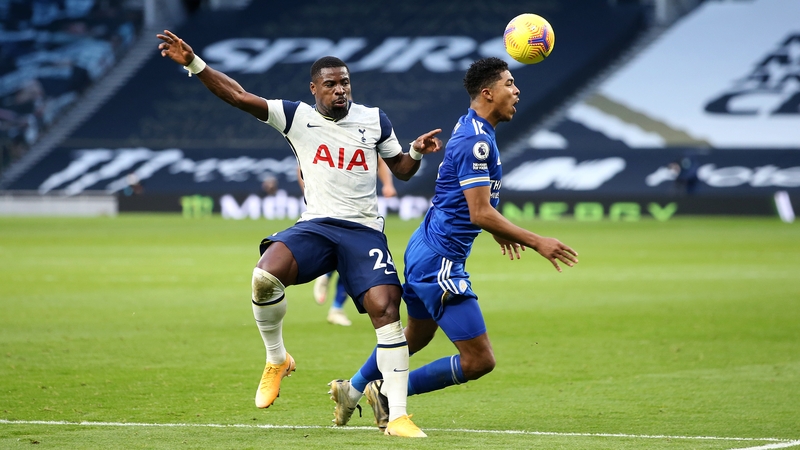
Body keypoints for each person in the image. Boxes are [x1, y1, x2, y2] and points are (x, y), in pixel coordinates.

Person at [157, 30, 442, 437]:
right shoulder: (296, 116)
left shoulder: (375, 119)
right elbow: (238, 96)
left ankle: (397, 415)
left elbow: (400, 169)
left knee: (386, 310)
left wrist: (414, 152)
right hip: (317, 225)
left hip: (363, 231)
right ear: (314, 89)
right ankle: (277, 359)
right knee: (264, 276)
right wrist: (193, 63)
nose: (340, 89)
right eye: (330, 84)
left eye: (345, 82)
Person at [328, 57, 579, 432]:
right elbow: (478, 212)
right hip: (440, 261)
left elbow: (470, 200)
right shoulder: (477, 141)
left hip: (424, 248)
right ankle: (387, 394)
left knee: (416, 334)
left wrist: (498, 227)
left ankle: (353, 389)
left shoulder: (474, 126)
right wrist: (536, 240)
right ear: (488, 93)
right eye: (510, 84)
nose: (517, 91)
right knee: (479, 360)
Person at [308, 160, 398, 326]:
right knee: (352, 257)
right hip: (341, 208)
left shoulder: (364, 137)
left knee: (353, 260)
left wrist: (387, 184)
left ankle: (334, 301)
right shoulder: (328, 140)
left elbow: (378, 159)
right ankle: (329, 280)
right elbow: (302, 166)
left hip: (361, 208)